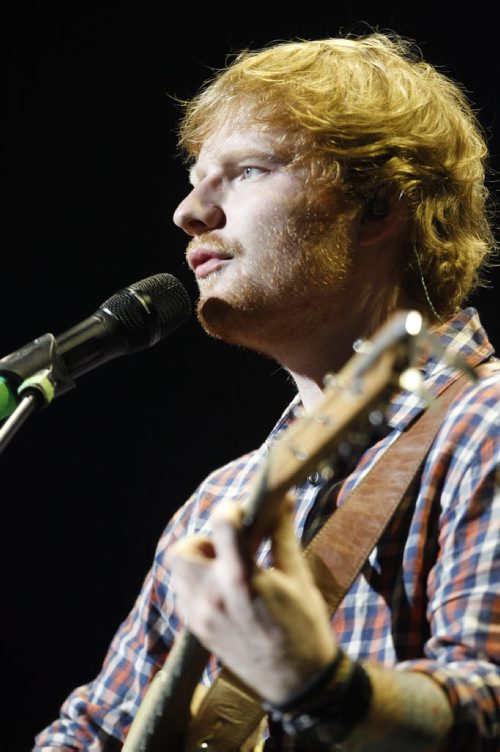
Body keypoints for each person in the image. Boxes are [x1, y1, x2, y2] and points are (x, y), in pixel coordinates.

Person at [34, 32, 499, 751]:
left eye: (244, 171)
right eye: (194, 177)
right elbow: (90, 731)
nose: (188, 212)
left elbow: (488, 704)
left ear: (376, 206)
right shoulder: (219, 507)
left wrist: (320, 685)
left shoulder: (485, 428)